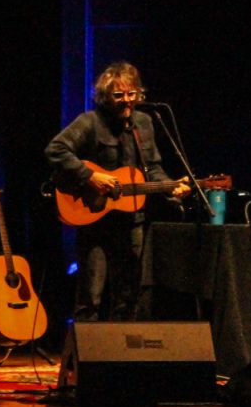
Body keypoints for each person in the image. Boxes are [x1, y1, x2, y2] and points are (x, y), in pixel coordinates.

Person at [45, 61, 190, 321]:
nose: (127, 101)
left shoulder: (144, 122)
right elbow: (55, 150)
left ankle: (120, 359)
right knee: (91, 297)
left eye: (131, 94)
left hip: (132, 221)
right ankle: (84, 359)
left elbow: (152, 169)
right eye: (119, 95)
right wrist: (91, 176)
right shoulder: (90, 122)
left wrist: (171, 188)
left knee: (129, 296)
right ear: (104, 97)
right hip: (95, 222)